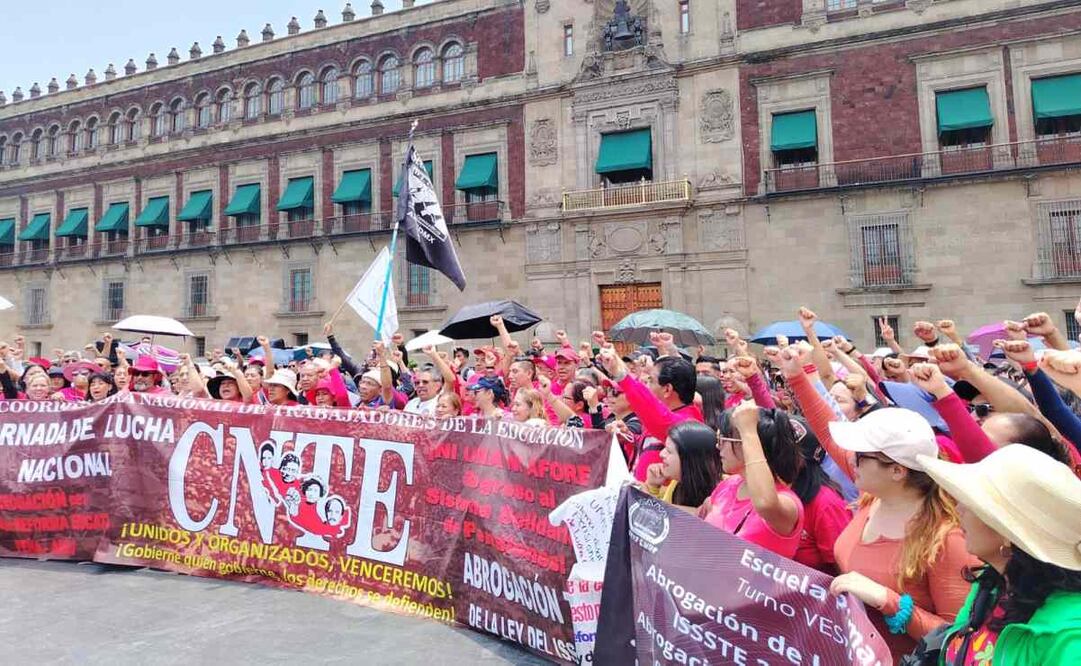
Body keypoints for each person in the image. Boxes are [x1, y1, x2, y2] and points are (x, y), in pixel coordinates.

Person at [780, 344, 976, 660]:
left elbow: (958, 642)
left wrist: (888, 600)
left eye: (860, 455)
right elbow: (828, 434)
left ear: (897, 470)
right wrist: (798, 376)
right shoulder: (874, 495)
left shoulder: (946, 538)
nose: (850, 460)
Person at [918, 445, 1081, 665]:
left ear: (1008, 534)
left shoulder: (1067, 639)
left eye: (973, 503)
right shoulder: (992, 584)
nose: (959, 509)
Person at [703, 401, 805, 558]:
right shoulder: (729, 484)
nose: (718, 446)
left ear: (749, 445)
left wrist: (748, 430)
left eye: (723, 439)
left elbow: (765, 503)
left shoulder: (787, 503)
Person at [643, 420, 722, 512]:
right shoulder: (675, 486)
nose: (661, 454)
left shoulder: (724, 493)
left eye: (669, 451)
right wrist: (652, 486)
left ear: (690, 460)